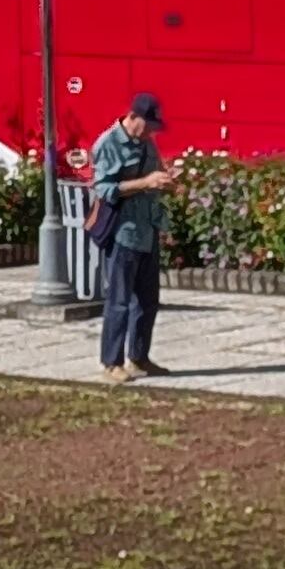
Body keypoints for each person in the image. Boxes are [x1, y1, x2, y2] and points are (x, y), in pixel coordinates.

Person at [89, 92, 176, 382]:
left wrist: (165, 181)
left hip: (147, 230)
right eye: (148, 125)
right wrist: (145, 183)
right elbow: (104, 188)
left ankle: (139, 357)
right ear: (133, 117)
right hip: (123, 232)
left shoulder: (147, 144)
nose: (151, 131)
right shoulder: (108, 144)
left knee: (148, 301)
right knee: (119, 300)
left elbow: (155, 175)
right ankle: (111, 362)